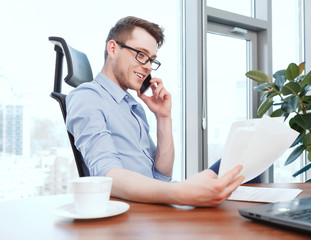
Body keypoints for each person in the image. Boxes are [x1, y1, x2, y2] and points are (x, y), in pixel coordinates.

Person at [66, 16, 245, 207]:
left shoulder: (132, 107)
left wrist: (163, 116)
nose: (148, 66)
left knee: (243, 164)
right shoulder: (87, 97)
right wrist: (182, 191)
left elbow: (162, 174)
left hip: (160, 201)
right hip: (138, 212)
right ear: (113, 49)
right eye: (141, 55)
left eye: (151, 60)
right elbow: (107, 175)